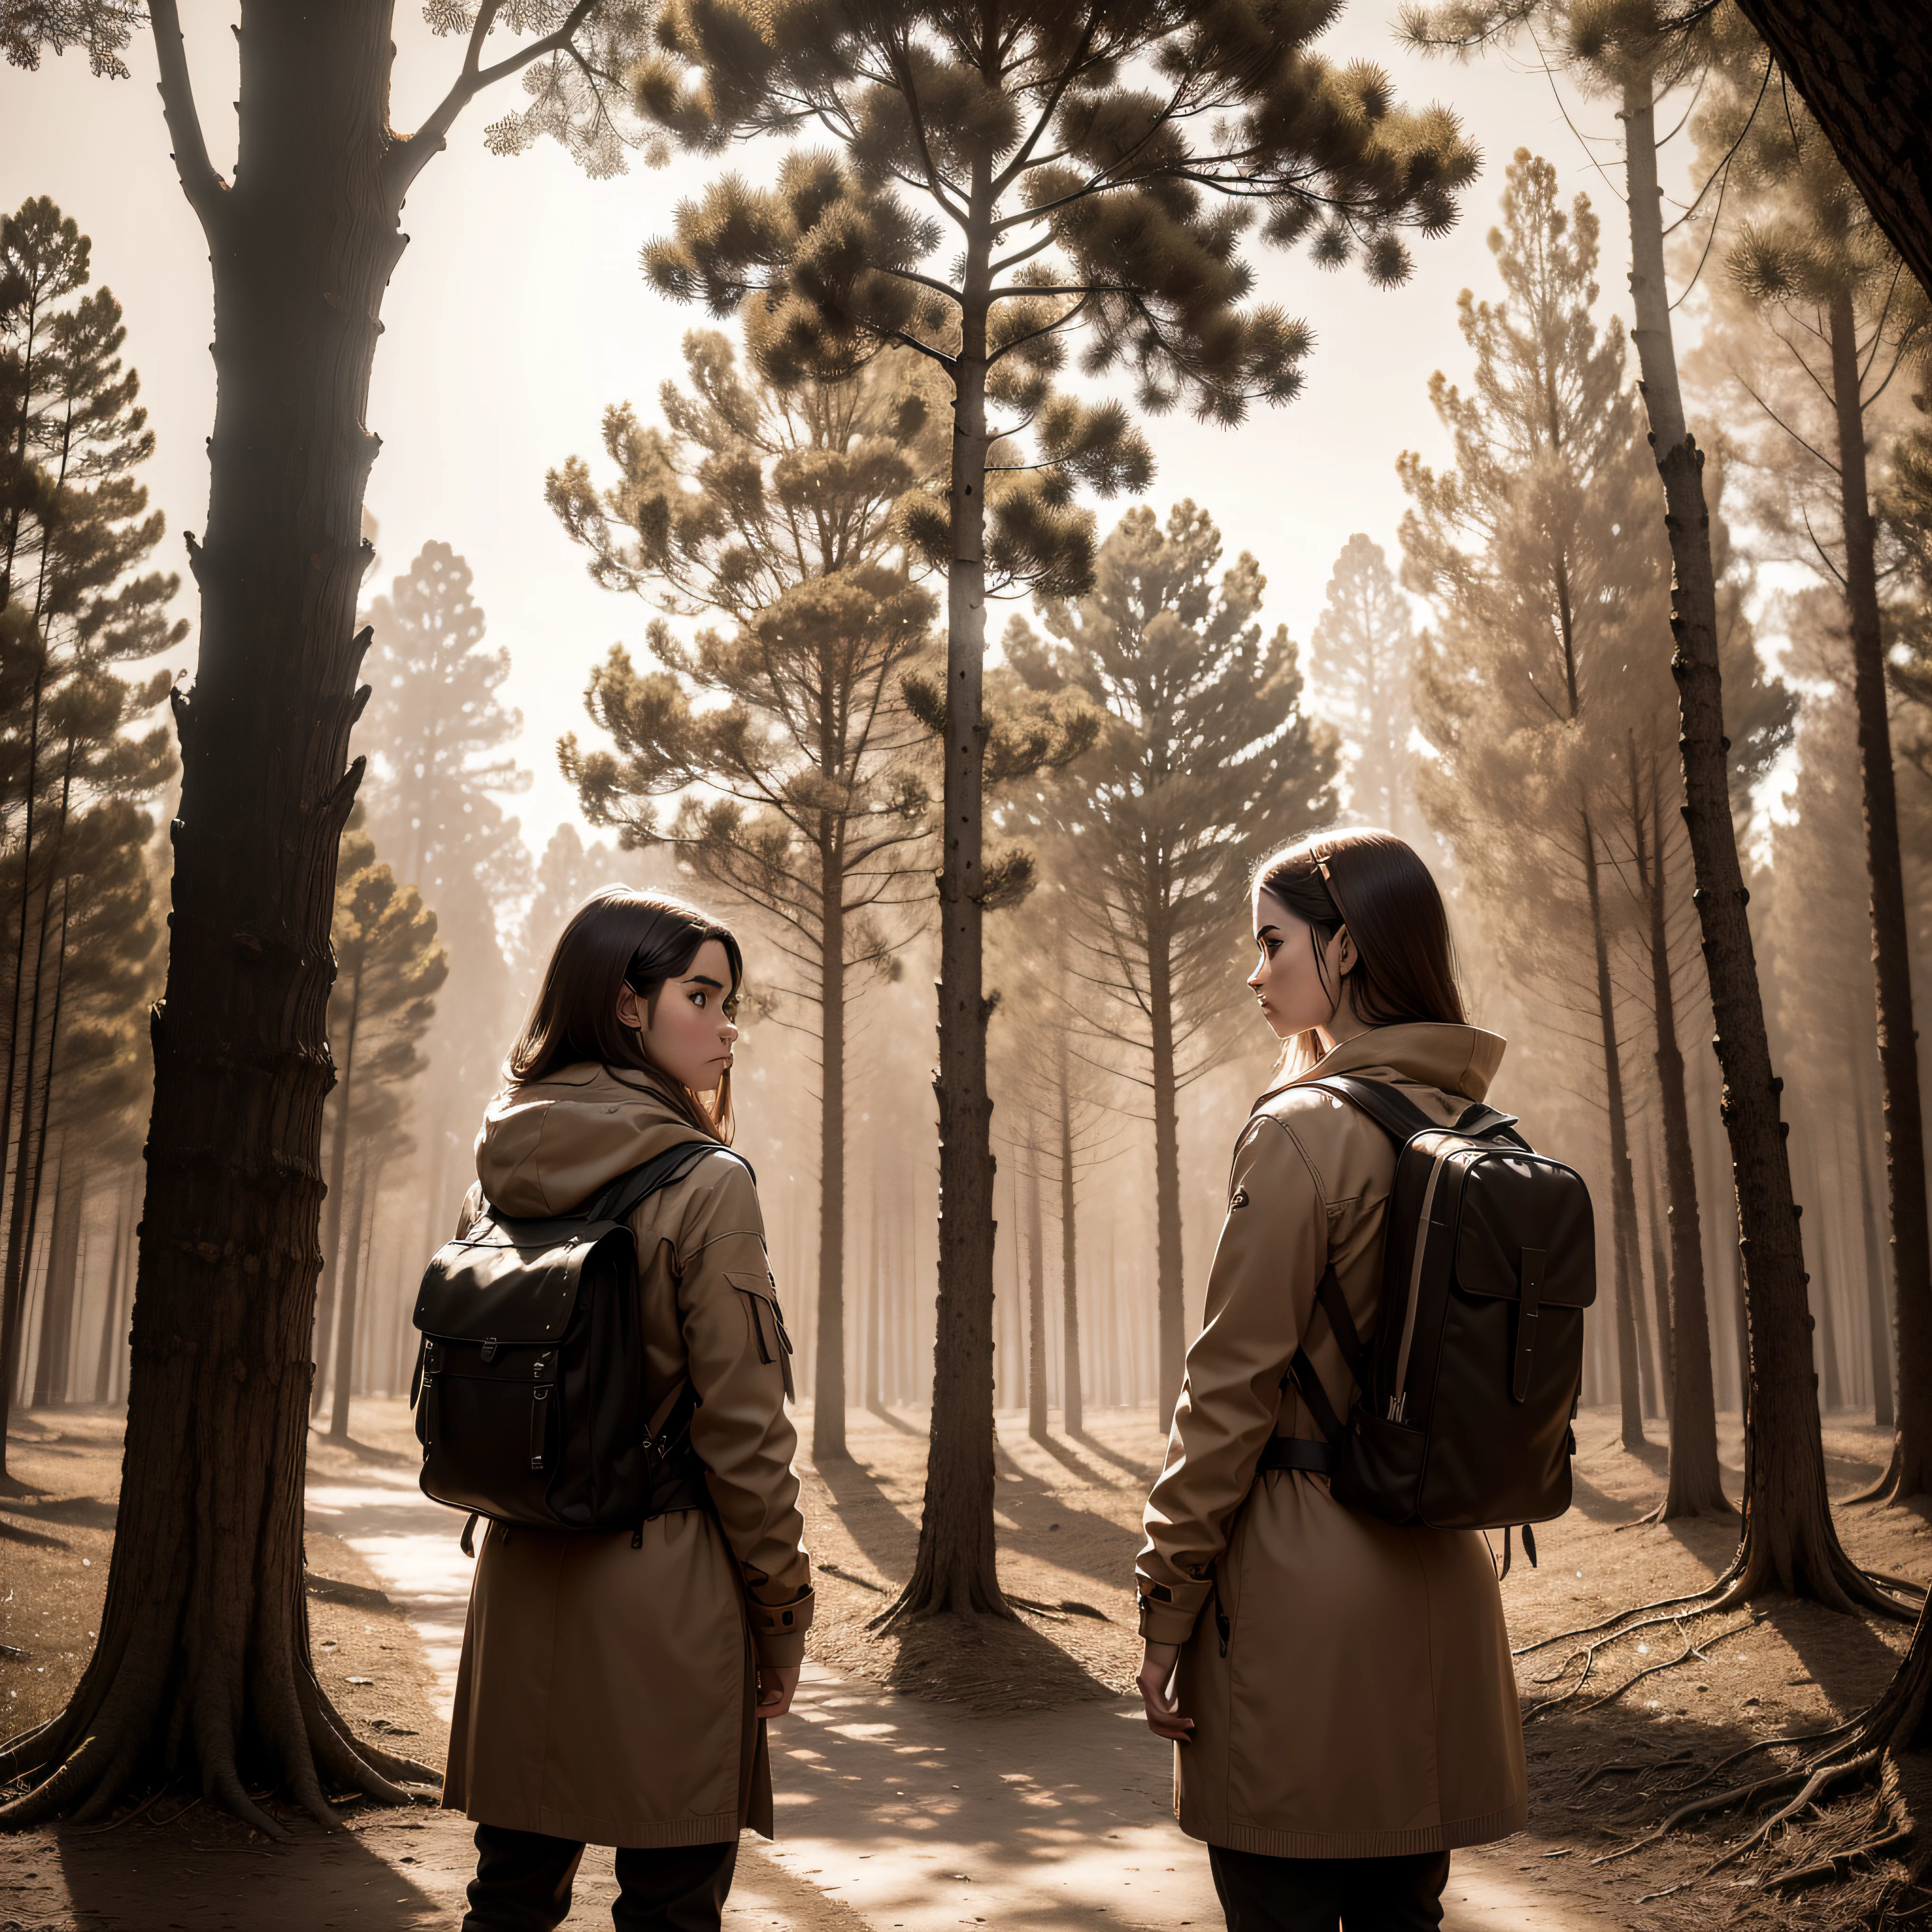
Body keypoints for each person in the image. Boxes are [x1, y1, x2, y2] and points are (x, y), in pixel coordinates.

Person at [1134, 829, 1527, 1932]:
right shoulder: (1479, 1127)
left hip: (1301, 1612)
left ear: (1344, 949)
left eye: (1271, 942)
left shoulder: (1300, 1132)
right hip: (1443, 1589)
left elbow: (1227, 1393)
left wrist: (1165, 1602)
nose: (1253, 971)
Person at [443, 887, 813, 1932]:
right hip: (668, 1588)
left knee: (507, 1895)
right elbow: (744, 1429)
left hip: (517, 1574)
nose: (727, 1023)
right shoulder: (705, 1183)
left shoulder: (498, 1169)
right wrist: (780, 1613)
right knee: (669, 1904)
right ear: (627, 1003)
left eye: (729, 998)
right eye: (700, 993)